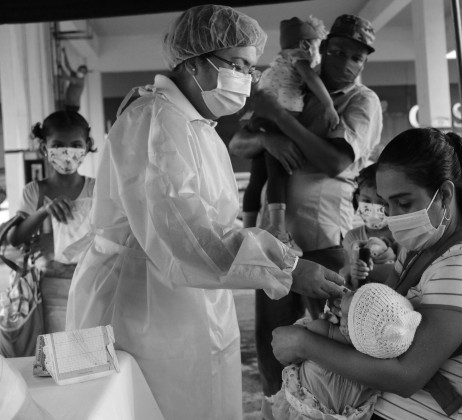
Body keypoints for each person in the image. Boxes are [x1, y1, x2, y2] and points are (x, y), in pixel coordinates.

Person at [64, 5, 344, 420]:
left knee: (204, 398)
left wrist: (267, 248)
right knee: (153, 405)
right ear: (195, 61)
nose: (247, 80)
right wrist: (286, 265)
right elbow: (184, 233)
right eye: (237, 64)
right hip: (140, 302)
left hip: (181, 295)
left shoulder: (193, 122)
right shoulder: (157, 121)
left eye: (251, 68)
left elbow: (205, 223)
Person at [271, 128, 462, 419]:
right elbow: (380, 333)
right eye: (386, 203)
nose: (392, 217)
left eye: (403, 204)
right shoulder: (420, 249)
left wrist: (304, 344)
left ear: (444, 195)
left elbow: (406, 376)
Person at [230, 15, 382, 411]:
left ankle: (327, 411)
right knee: (274, 338)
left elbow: (334, 161)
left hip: (325, 234)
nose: (346, 63)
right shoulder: (297, 82)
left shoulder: (361, 101)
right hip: (276, 237)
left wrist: (280, 122)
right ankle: (276, 410)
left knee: (327, 334)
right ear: (323, 47)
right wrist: (270, 139)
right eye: (337, 51)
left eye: (357, 58)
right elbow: (239, 143)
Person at [242, 16, 338, 257]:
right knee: (278, 172)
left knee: (257, 177)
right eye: (317, 45)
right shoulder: (298, 58)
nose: (318, 52)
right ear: (306, 45)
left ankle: (247, 232)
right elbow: (312, 79)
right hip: (279, 116)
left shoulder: (277, 61)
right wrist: (329, 105)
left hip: (260, 118)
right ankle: (277, 228)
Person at [269, 283, 422, 420]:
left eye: (344, 312)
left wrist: (327, 318)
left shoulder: (324, 330)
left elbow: (299, 335)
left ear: (347, 328)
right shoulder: (377, 360)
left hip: (304, 409)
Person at [7, 110, 96, 334]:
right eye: (58, 145)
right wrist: (44, 211)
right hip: (49, 288)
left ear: (87, 145)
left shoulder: (97, 188)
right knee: (56, 352)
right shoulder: (35, 191)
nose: (67, 152)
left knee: (91, 351)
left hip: (91, 284)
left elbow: (110, 234)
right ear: (45, 148)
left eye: (75, 144)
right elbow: (15, 238)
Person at [342, 163, 397, 288]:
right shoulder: (352, 237)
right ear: (357, 199)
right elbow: (347, 274)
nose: (373, 208)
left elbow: (400, 274)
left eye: (381, 202)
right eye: (366, 201)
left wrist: (367, 270)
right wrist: (352, 272)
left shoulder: (399, 234)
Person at [58, 47, 88, 112]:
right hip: (68, 104)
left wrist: (61, 68)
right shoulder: (75, 75)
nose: (80, 72)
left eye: (82, 71)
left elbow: (66, 77)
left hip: (73, 106)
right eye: (79, 70)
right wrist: (64, 53)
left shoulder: (80, 81)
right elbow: (68, 66)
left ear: (84, 74)